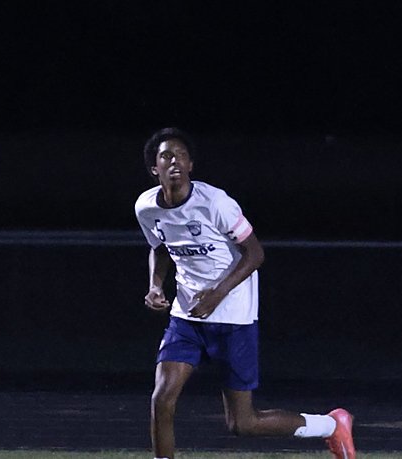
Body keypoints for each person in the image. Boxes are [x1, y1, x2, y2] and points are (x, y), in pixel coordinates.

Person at [134, 128, 355, 459]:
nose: (174, 161)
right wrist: (154, 285)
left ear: (191, 165)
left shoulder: (216, 203)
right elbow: (160, 247)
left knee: (243, 424)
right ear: (155, 169)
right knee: (162, 399)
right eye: (166, 156)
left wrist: (216, 294)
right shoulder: (146, 207)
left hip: (233, 316)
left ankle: (331, 426)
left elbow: (255, 253)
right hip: (186, 316)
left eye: (180, 155)